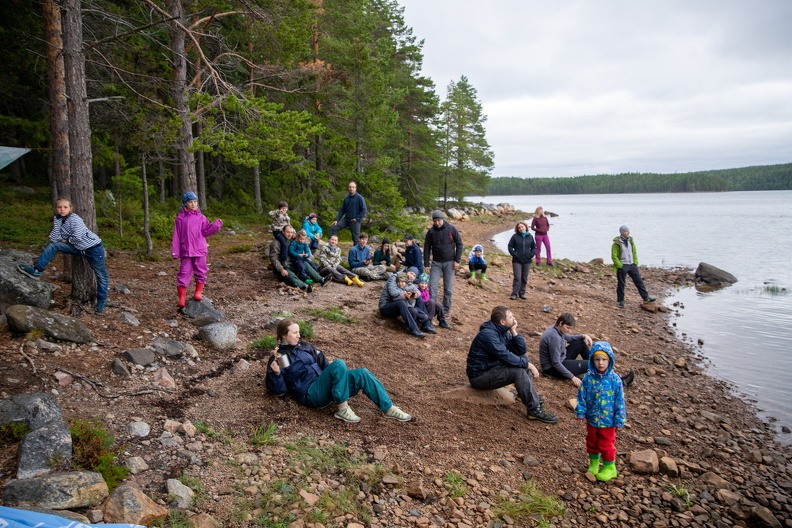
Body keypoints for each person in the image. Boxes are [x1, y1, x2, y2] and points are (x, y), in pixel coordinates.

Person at [266, 318, 412, 423]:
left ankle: (388, 408)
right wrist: (276, 373)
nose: (299, 335)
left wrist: (334, 380)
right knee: (339, 364)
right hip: (311, 394)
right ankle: (343, 408)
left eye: (299, 332)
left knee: (362, 373)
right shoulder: (279, 357)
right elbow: (279, 391)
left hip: (326, 387)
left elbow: (324, 363)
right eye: (295, 333)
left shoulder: (304, 345)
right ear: (284, 335)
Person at [17, 197, 110, 314]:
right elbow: (54, 237)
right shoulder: (58, 219)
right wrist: (58, 232)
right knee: (53, 245)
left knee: (101, 275)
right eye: (59, 207)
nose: (62, 209)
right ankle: (37, 270)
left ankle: (101, 302)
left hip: (93, 249)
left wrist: (66, 240)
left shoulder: (75, 219)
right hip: (78, 248)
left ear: (70, 209)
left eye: (65, 207)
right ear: (56, 209)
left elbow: (78, 237)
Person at [467, 306, 558, 424]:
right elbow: (505, 355)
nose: (514, 318)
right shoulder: (488, 335)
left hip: (493, 368)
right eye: (511, 317)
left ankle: (523, 393)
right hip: (479, 376)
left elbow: (520, 350)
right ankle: (534, 410)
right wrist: (529, 365)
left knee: (523, 357)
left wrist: (514, 332)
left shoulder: (503, 331)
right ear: (502, 322)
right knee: (518, 370)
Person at [575, 341, 627, 482]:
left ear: (609, 360)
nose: (601, 363)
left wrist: (619, 419)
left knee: (606, 444)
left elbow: (619, 400)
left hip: (608, 421)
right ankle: (594, 463)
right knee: (592, 441)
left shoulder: (615, 380)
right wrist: (581, 412)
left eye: (604, 360)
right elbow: (582, 396)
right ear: (592, 360)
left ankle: (610, 467)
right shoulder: (588, 378)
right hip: (592, 419)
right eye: (597, 360)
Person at [171, 191, 223, 308]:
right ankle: (182, 298)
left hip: (199, 250)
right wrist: (175, 251)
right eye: (190, 202)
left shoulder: (201, 217)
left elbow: (205, 232)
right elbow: (176, 236)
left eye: (195, 201)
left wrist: (215, 225)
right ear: (185, 204)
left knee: (201, 270)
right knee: (184, 272)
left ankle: (198, 292)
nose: (193, 204)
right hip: (186, 250)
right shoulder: (180, 218)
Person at [423, 210, 463, 316]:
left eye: (439, 220)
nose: (437, 223)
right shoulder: (431, 232)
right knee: (432, 286)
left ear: (443, 219)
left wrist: (457, 260)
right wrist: (426, 263)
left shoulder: (451, 229)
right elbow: (426, 248)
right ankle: (432, 309)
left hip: (450, 262)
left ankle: (445, 310)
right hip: (436, 262)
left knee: (448, 288)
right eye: (435, 221)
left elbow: (459, 244)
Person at [538, 313, 593, 387]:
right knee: (591, 363)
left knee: (581, 343)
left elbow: (569, 338)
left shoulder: (556, 329)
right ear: (561, 323)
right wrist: (572, 377)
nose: (569, 331)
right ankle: (599, 371)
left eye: (571, 328)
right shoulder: (554, 337)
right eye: (568, 328)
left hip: (561, 358)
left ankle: (594, 370)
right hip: (552, 369)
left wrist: (583, 336)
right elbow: (555, 363)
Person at [611, 225, 656, 308]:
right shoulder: (616, 243)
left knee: (639, 281)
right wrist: (620, 265)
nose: (628, 233)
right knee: (621, 283)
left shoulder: (630, 241)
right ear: (622, 233)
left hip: (632, 265)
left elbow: (634, 252)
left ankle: (646, 298)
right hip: (623, 265)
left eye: (628, 231)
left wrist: (635, 262)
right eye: (626, 231)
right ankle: (620, 301)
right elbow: (614, 256)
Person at [269, 225, 321, 292]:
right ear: (283, 232)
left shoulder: (291, 241)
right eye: (287, 232)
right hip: (281, 268)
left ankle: (320, 279)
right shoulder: (276, 243)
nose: (290, 234)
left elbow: (301, 242)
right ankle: (304, 286)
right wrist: (281, 269)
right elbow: (274, 258)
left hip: (291, 265)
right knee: (290, 275)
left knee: (304, 264)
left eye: (291, 232)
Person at [379, 272, 431, 338]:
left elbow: (416, 291)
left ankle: (426, 322)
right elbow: (394, 294)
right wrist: (405, 294)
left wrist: (414, 294)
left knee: (417, 300)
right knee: (401, 302)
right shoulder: (393, 279)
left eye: (413, 275)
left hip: (396, 307)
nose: (411, 276)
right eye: (411, 273)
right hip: (385, 307)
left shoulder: (407, 283)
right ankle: (413, 328)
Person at [330, 181, 367, 246]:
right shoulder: (346, 198)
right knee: (333, 227)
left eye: (353, 187)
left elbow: (364, 210)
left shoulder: (360, 198)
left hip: (355, 221)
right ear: (348, 188)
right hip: (346, 220)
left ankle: (356, 253)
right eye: (350, 187)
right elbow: (342, 210)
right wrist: (337, 220)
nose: (351, 188)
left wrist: (357, 218)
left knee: (356, 239)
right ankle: (332, 246)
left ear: (355, 188)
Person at [507, 221, 536, 300]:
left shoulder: (530, 237)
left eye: (522, 227)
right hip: (517, 260)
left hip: (527, 260)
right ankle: (514, 294)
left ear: (526, 227)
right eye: (519, 228)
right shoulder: (515, 236)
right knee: (517, 277)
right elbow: (510, 246)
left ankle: (522, 293)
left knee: (524, 278)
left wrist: (532, 254)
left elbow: (534, 247)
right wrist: (514, 254)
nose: (521, 229)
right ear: (517, 229)